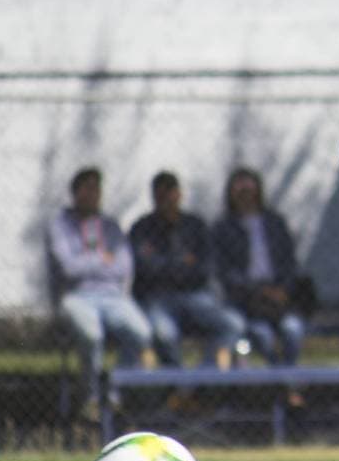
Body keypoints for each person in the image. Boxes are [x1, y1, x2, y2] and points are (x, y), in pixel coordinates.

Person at [47, 167, 153, 421]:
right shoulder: (60, 226)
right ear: (75, 193)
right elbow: (68, 268)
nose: (93, 194)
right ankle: (91, 398)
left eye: (97, 188)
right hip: (76, 296)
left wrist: (88, 261)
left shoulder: (110, 227)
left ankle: (113, 394)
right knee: (91, 334)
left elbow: (124, 267)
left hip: (113, 296)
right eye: (87, 188)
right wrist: (101, 259)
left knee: (141, 333)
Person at [130, 171, 245, 369]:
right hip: (158, 298)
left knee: (233, 324)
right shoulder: (142, 229)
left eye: (170, 193)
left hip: (195, 296)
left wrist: (165, 265)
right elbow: (144, 270)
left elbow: (205, 268)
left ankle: (200, 383)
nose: (165, 200)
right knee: (164, 334)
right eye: (160, 195)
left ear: (179, 194)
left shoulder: (195, 226)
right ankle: (176, 386)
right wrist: (182, 263)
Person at [213, 168, 314, 366]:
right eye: (240, 191)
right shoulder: (223, 229)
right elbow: (225, 272)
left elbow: (289, 263)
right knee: (263, 336)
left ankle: (284, 383)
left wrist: (283, 289)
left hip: (279, 301)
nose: (246, 196)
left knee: (292, 330)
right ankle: (284, 386)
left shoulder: (275, 223)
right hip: (247, 302)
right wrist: (259, 291)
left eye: (250, 190)